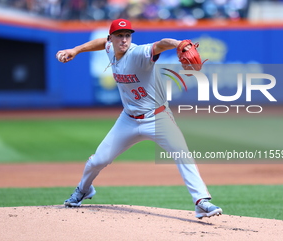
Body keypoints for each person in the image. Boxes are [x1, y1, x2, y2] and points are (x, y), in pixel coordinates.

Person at [56, 19, 222, 219]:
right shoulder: (110, 48)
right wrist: (76, 50)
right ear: (112, 39)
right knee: (98, 160)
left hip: (158, 117)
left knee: (182, 153)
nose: (124, 40)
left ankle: (200, 201)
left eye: (127, 35)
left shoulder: (138, 54)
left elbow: (160, 44)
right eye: (119, 36)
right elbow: (101, 43)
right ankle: (84, 189)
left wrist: (178, 44)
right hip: (128, 119)